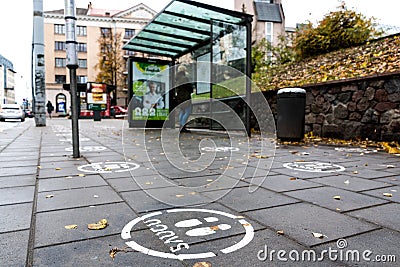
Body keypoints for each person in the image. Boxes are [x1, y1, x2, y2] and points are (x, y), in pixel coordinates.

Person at [175, 65, 193, 132]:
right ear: (183, 71)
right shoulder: (184, 78)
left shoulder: (177, 79)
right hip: (185, 97)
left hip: (180, 98)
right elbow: (189, 87)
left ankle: (181, 126)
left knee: (182, 111)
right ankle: (183, 126)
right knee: (188, 111)